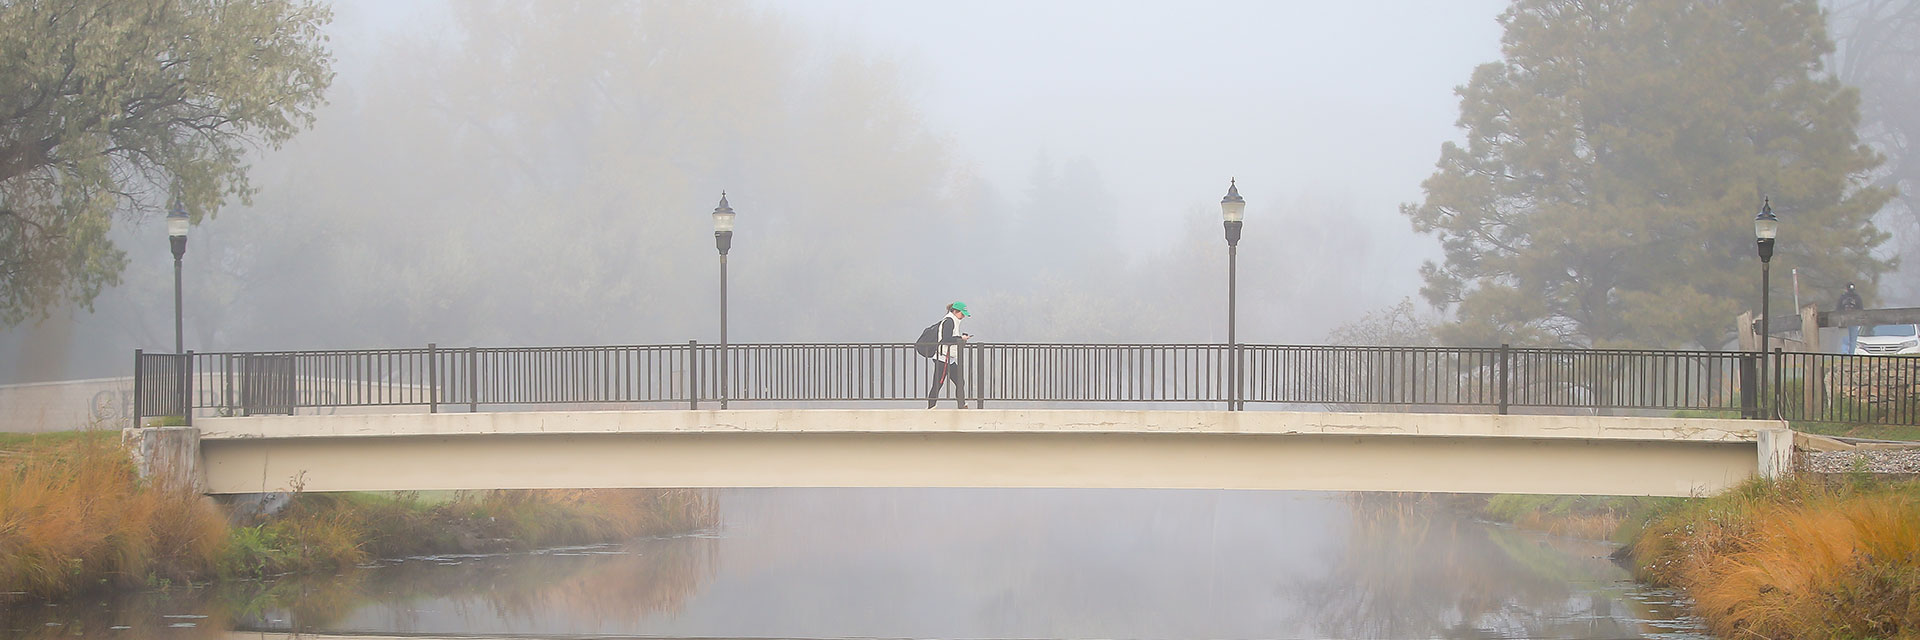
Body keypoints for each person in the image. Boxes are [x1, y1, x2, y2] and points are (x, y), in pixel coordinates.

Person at [926, 301, 972, 408]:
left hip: (949, 359)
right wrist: (961, 338)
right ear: (955, 311)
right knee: (938, 384)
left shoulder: (953, 321)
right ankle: (931, 407)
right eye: (962, 314)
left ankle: (961, 405)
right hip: (943, 359)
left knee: (960, 381)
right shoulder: (949, 321)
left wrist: (961, 339)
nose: (963, 316)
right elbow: (945, 339)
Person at [1838, 283, 1864, 353]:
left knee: (1844, 339)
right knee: (1853, 340)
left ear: (1846, 289)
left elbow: (1838, 308)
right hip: (1854, 321)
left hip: (1843, 321)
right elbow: (1861, 309)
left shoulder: (1843, 297)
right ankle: (1851, 355)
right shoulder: (1857, 297)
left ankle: (1844, 354)